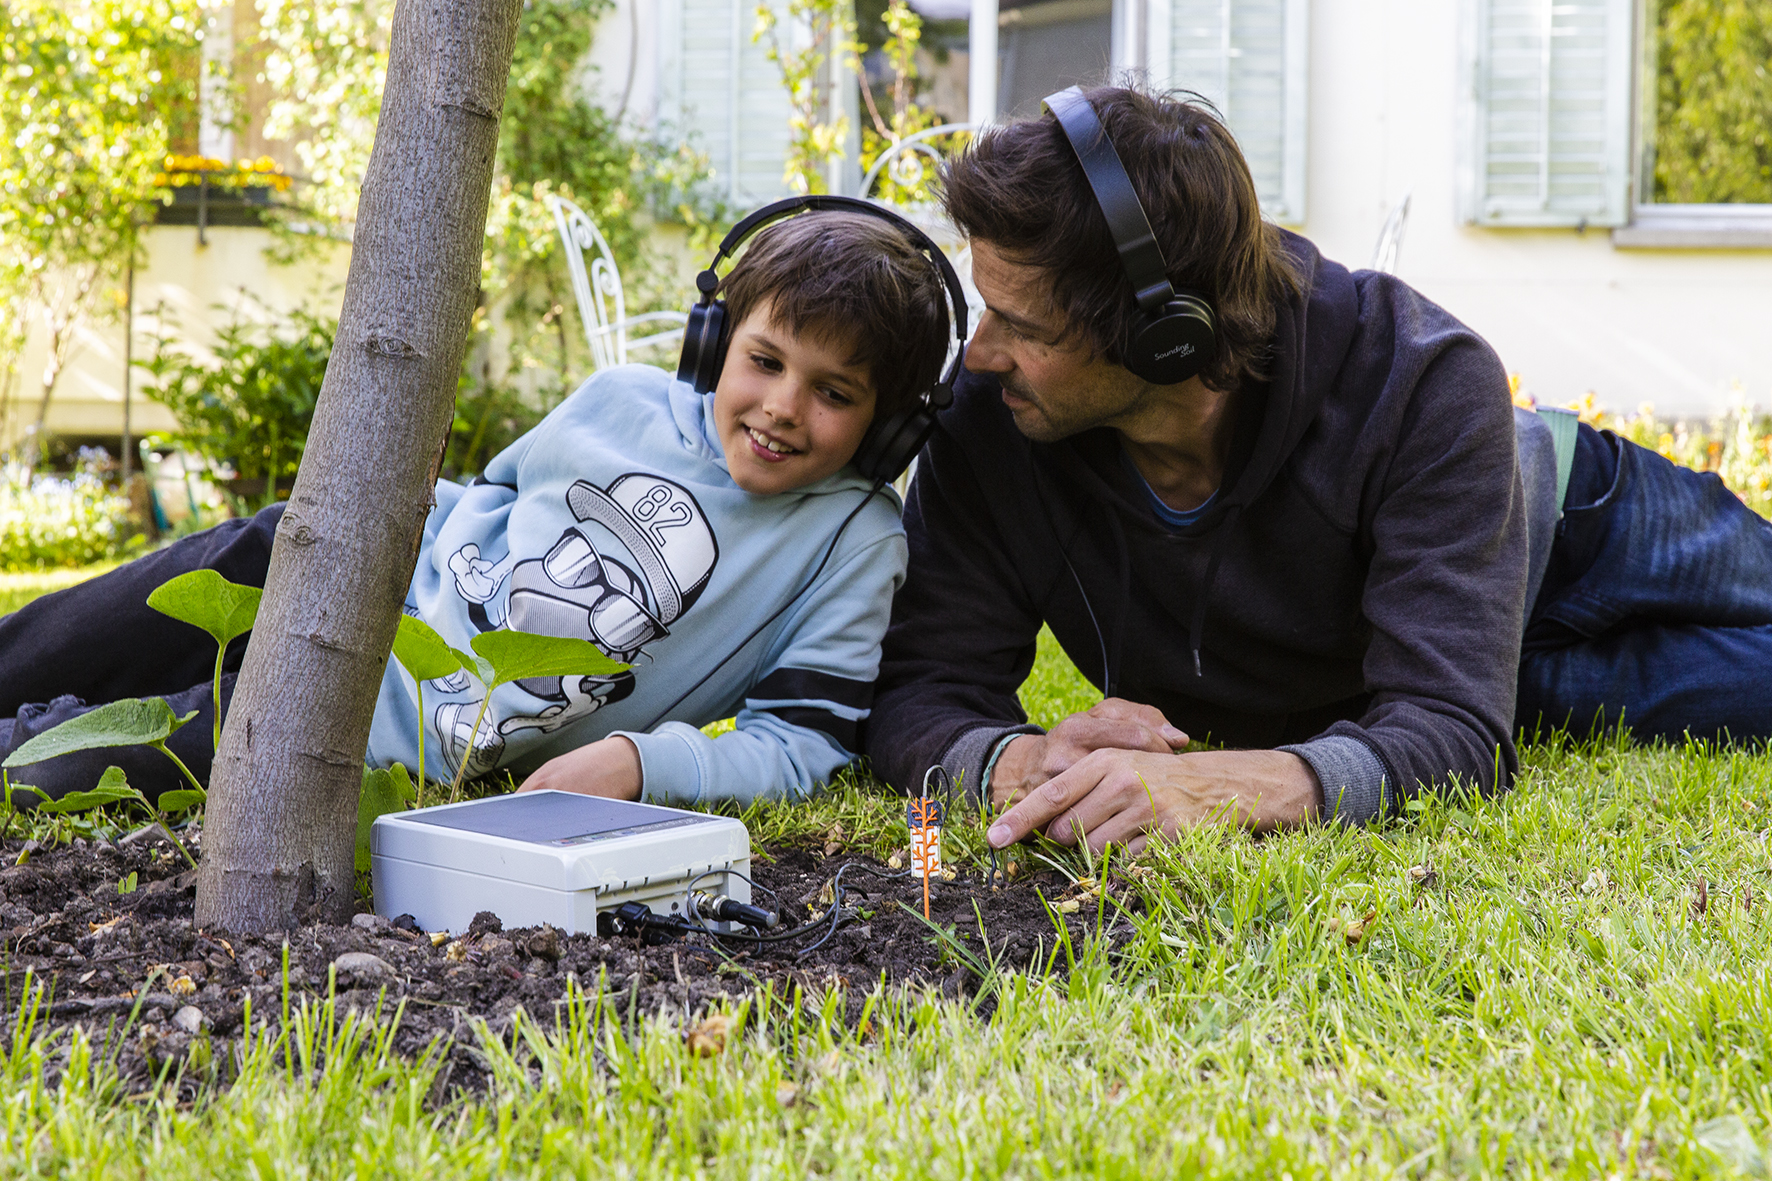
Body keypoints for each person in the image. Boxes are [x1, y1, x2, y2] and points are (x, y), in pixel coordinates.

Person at [863, 84, 1772, 855]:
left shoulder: (1423, 378)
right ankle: (1476, 661)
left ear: (1164, 334)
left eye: (1022, 326)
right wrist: (1019, 761)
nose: (979, 354)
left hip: (1574, 520)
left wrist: (1217, 789)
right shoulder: (993, 416)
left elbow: (1452, 740)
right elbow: (916, 688)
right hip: (1437, 646)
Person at [1, 203, 962, 809]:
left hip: (375, 729)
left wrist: (639, 760)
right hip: (314, 565)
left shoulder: (851, 539)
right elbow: (499, 492)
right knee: (49, 645)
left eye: (836, 394)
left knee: (42, 769)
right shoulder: (619, 397)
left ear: (888, 432)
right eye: (764, 361)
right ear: (714, 342)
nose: (784, 407)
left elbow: (800, 740)